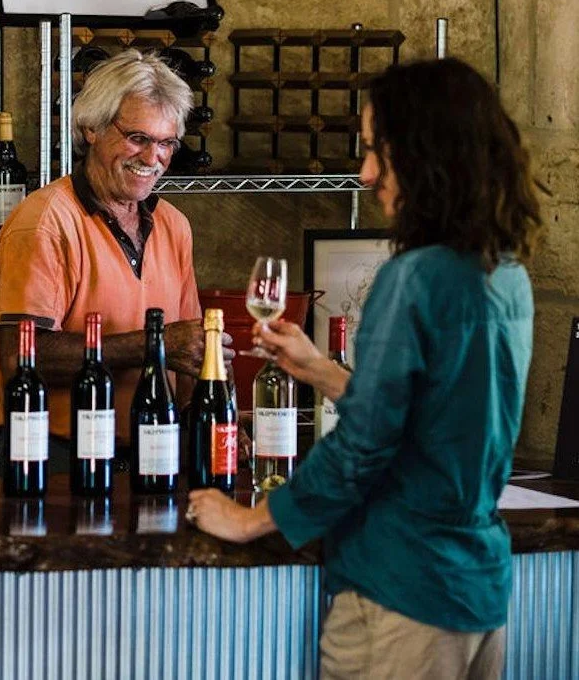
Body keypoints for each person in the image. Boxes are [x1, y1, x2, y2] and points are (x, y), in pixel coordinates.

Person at [188, 58, 542, 680]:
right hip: (479, 590)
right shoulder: (504, 273)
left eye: (380, 151)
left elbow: (363, 446)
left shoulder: (411, 279)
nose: (366, 173)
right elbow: (427, 418)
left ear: (430, 156)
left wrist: (251, 519)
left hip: (399, 594)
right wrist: (319, 369)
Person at [0, 48, 232, 467]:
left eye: (167, 143)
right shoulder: (46, 222)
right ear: (91, 129)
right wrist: (154, 345)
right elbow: (20, 358)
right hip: (57, 456)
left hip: (154, 446)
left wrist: (223, 419)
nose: (153, 158)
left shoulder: (173, 225)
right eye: (137, 138)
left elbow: (190, 354)